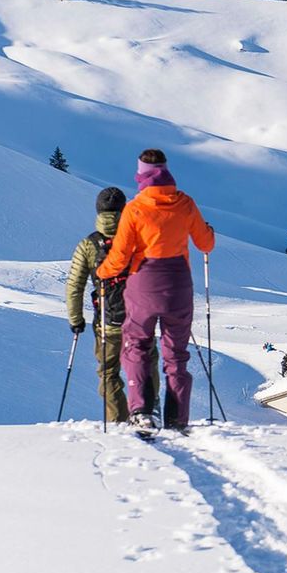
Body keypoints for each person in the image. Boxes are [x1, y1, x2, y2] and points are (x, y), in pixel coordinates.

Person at [97, 149, 215, 432]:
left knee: (136, 344)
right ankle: (177, 418)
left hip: (143, 284)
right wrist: (208, 231)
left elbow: (121, 256)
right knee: (176, 354)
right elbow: (205, 244)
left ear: (141, 174)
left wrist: (102, 272)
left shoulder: (135, 209)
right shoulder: (184, 203)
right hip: (178, 285)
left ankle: (142, 410)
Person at [66, 187, 157, 422]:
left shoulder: (88, 245)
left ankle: (117, 422)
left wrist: (76, 320)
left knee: (108, 373)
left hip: (107, 323)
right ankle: (147, 410)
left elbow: (74, 285)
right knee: (146, 362)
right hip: (139, 320)